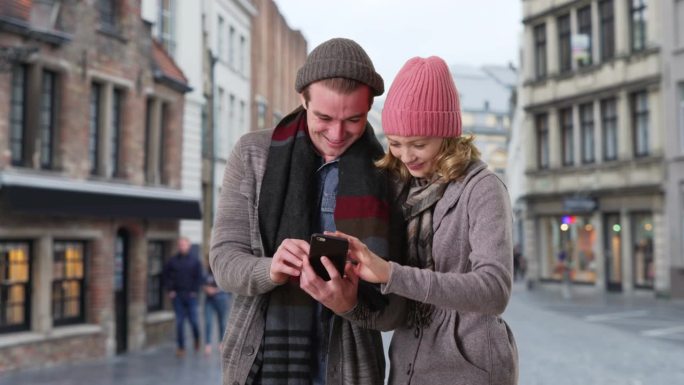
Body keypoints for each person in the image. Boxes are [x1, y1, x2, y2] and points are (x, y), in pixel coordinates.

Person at [210, 38, 402, 385]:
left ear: (370, 106)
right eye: (323, 117)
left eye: (354, 119)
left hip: (349, 366)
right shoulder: (253, 154)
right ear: (303, 99)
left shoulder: (391, 171)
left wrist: (349, 303)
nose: (336, 133)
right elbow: (224, 262)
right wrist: (271, 268)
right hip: (261, 361)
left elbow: (401, 305)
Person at [321, 56, 519, 385]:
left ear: (448, 136)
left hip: (470, 367)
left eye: (419, 144)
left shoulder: (482, 189)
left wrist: (391, 274)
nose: (406, 155)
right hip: (408, 363)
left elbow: (495, 291)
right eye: (396, 143)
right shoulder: (400, 186)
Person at [163, 236, 203, 357]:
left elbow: (199, 278)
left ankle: (197, 339)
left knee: (194, 322)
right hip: (178, 296)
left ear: (189, 246)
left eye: (184, 245)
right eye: (180, 245)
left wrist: (194, 291)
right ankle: (181, 347)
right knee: (179, 323)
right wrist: (170, 290)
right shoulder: (172, 261)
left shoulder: (195, 261)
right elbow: (165, 276)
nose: (182, 247)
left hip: (190, 296)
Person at [202, 266, 230, 355]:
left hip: (222, 299)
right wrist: (206, 289)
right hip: (209, 301)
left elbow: (229, 286)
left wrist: (215, 290)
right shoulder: (206, 273)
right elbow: (202, 283)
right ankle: (208, 344)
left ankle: (221, 343)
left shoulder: (224, 272)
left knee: (222, 322)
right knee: (208, 322)